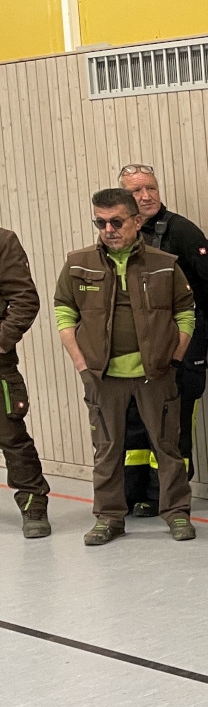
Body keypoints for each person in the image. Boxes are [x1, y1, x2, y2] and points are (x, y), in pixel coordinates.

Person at [54, 188, 197, 544]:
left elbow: (186, 312)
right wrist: (81, 361)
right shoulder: (77, 263)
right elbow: (63, 311)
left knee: (167, 447)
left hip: (157, 375)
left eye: (116, 221)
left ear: (136, 221)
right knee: (106, 449)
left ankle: (176, 513)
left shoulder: (165, 263)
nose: (108, 229)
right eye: (100, 222)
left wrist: (174, 356)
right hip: (103, 377)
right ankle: (108, 518)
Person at [118, 164, 208, 515]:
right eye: (136, 191)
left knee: (176, 422)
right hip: (138, 352)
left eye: (150, 188)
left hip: (182, 349)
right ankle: (135, 494)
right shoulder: (119, 236)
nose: (146, 196)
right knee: (135, 423)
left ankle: (168, 497)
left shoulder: (180, 231)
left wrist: (189, 326)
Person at [0, 227, 51, 538]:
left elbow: (25, 300)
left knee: (11, 436)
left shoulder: (3, 241)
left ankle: (33, 504)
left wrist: (2, 341)